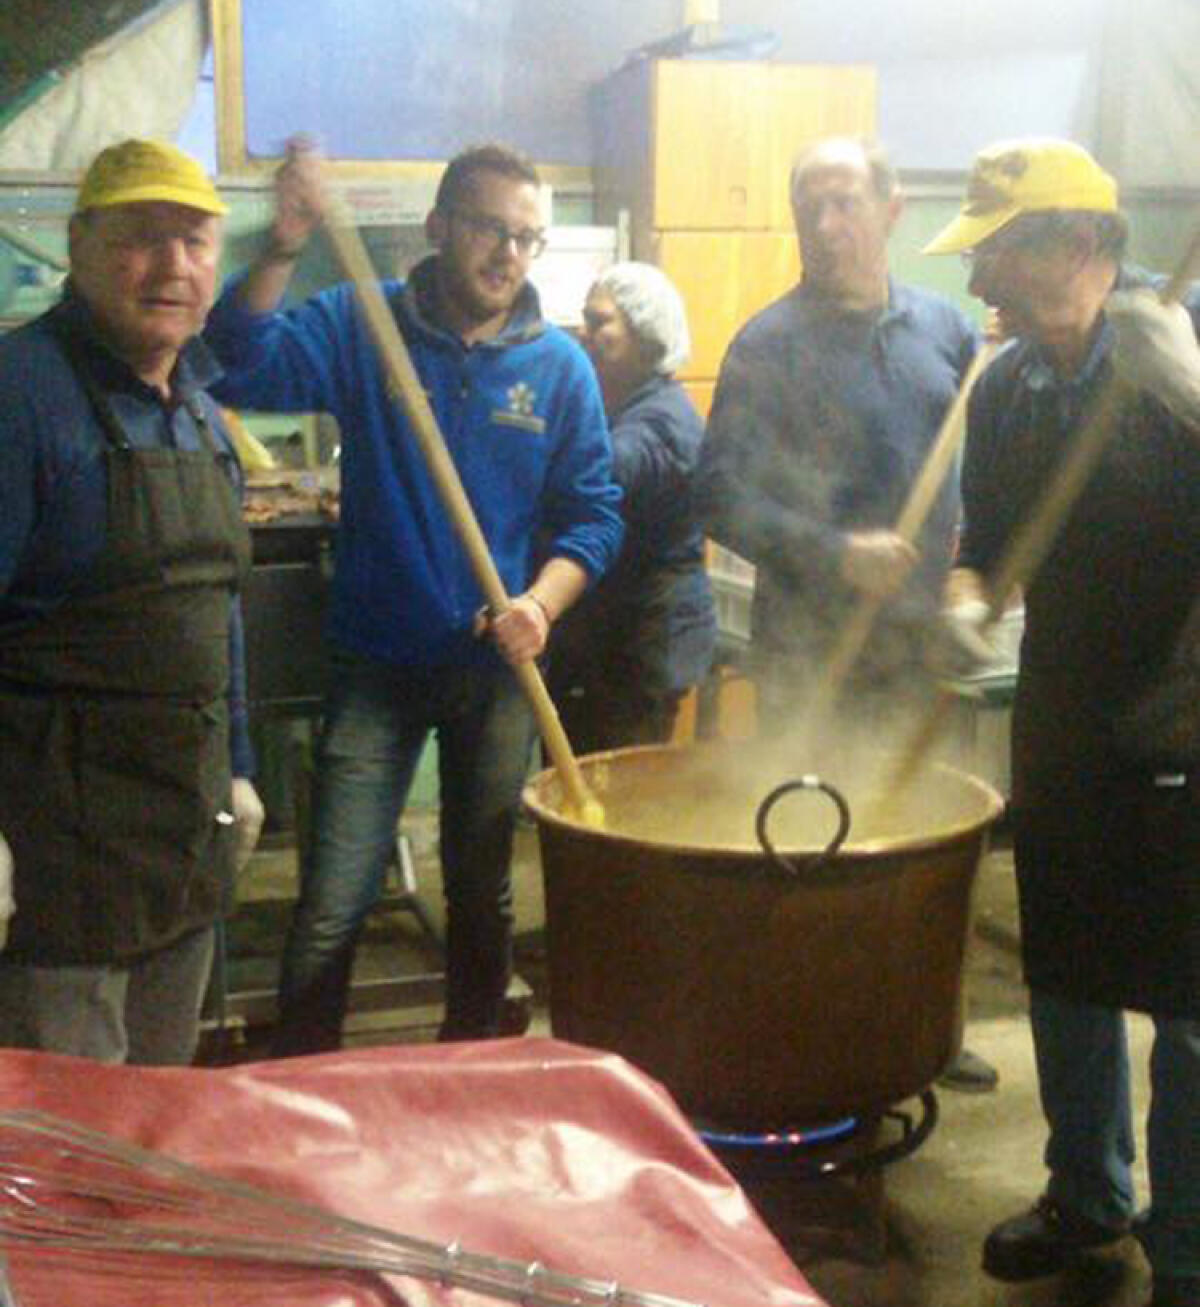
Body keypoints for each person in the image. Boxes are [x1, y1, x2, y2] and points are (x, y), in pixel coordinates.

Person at [203, 140, 623, 1049]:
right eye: (488, 229)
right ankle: (303, 1079)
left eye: (526, 237)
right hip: (376, 662)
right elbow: (235, 365)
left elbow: (594, 517)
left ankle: (469, 1070)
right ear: (438, 228)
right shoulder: (365, 322)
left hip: (493, 666)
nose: (507, 254)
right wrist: (280, 246)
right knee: (335, 894)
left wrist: (539, 606)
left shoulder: (559, 367)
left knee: (481, 889)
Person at [925, 137, 1200, 1307]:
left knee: (1190, 1004)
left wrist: (1193, 391)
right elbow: (987, 547)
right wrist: (962, 604)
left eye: (998, 252)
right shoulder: (1009, 387)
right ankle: (1088, 1193)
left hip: (1186, 722)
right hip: (1068, 718)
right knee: (1070, 973)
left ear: (1081, 245)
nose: (980, 283)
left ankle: (1188, 1238)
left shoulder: (1179, 352)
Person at [695, 135, 997, 1093]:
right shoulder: (767, 344)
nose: (826, 227)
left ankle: (918, 1023)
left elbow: (980, 476)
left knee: (916, 838)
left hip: (915, 649)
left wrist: (967, 578)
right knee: (809, 837)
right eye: (808, 208)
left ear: (892, 206)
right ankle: (804, 1016)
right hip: (806, 649)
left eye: (844, 203)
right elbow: (720, 498)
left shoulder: (946, 333)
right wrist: (837, 554)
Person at [0, 139, 264, 1065]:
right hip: (60, 847)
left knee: (160, 1115)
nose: (173, 267)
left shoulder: (196, 404)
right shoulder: (19, 392)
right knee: (67, 1143)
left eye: (194, 241)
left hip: (186, 828)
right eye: (141, 237)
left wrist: (238, 760)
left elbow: (218, 607)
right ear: (78, 245)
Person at [545, 262, 716, 753]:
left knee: (618, 787)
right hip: (616, 638)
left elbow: (605, 476)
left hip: (642, 643)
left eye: (600, 322)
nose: (584, 332)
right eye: (585, 318)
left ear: (645, 336)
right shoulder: (621, 407)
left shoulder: (658, 423)